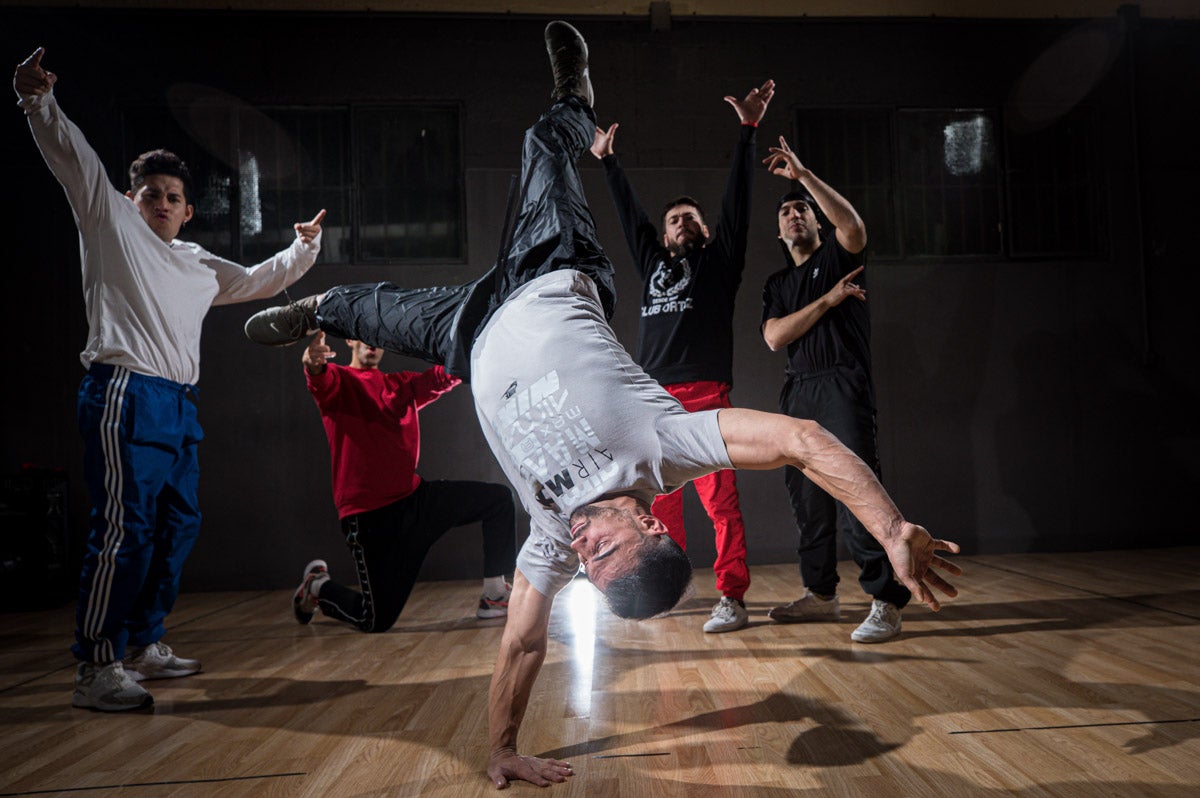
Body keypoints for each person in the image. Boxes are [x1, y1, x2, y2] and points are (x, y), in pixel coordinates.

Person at [242, 22, 961, 788]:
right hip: (552, 268)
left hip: (466, 332)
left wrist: (501, 748)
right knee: (543, 146)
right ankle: (574, 94)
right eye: (605, 549)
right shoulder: (664, 447)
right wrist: (889, 528)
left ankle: (319, 305)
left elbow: (521, 644)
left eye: (588, 565)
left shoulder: (556, 534)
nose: (582, 548)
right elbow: (805, 439)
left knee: (365, 312)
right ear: (649, 521)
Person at [15, 47, 326, 712]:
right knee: (123, 529)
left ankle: (142, 644)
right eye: (151, 193)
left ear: (188, 212)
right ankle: (96, 665)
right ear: (132, 200)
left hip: (178, 405)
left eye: (174, 197)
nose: (161, 201)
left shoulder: (195, 260)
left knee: (177, 526)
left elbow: (257, 281)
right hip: (125, 393)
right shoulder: (110, 223)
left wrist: (302, 249)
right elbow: (76, 161)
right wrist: (38, 100)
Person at [586, 78, 774, 634]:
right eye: (675, 220)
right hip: (653, 400)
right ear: (665, 236)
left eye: (692, 218)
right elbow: (629, 218)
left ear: (707, 231)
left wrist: (747, 131)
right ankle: (667, 592)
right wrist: (609, 163)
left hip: (705, 397)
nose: (683, 223)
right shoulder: (654, 266)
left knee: (721, 506)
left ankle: (732, 597)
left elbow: (738, 203)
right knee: (659, 513)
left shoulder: (719, 265)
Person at [760, 135, 910, 643]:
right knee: (809, 499)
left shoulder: (840, 257)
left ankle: (886, 600)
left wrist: (802, 175)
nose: (794, 215)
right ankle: (821, 595)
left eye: (801, 209)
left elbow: (854, 225)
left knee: (856, 493)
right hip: (799, 390)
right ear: (779, 233)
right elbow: (775, 336)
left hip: (842, 387)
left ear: (815, 220)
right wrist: (826, 302)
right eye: (785, 214)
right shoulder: (777, 285)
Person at [291, 332, 517, 631]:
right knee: (375, 620)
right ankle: (317, 587)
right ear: (349, 341)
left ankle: (494, 595)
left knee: (497, 500)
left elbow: (441, 377)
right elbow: (319, 379)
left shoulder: (400, 385)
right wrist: (312, 365)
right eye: (362, 337)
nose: (371, 344)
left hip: (415, 502)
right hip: (370, 519)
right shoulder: (339, 380)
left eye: (377, 338)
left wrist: (477, 343)